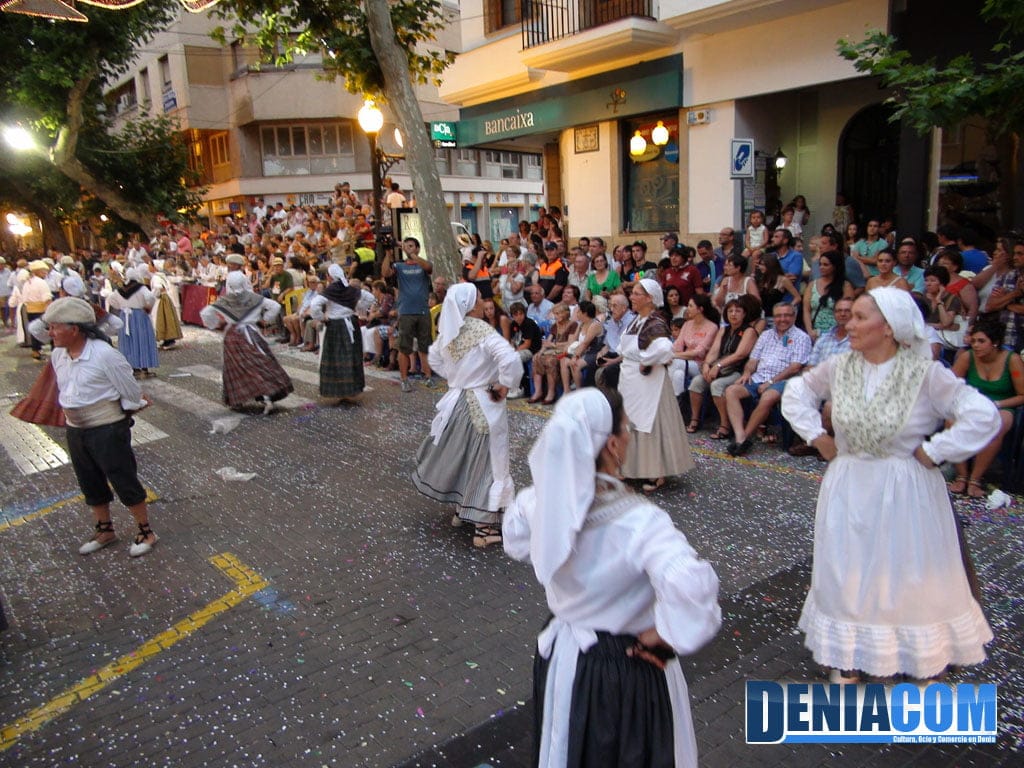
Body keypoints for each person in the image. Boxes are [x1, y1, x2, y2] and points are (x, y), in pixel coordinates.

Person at [781, 287, 999, 682]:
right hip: (849, 485)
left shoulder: (924, 373)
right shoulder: (839, 366)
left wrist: (937, 449)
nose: (850, 323)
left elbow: (983, 414)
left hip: (904, 490)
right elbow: (798, 391)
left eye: (860, 317)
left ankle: (919, 659)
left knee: (905, 573)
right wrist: (816, 436)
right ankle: (848, 657)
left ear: (889, 328)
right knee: (846, 572)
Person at [502, 387, 720, 768]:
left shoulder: (539, 503)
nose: (630, 435)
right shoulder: (640, 522)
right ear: (613, 445)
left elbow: (516, 539)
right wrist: (666, 635)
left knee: (569, 747)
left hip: (564, 658)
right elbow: (691, 586)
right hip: (625, 668)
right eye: (627, 428)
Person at [42, 298, 160, 557]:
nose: (50, 333)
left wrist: (129, 409)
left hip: (107, 428)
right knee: (89, 480)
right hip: (76, 429)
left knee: (123, 478)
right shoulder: (59, 355)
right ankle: (105, 530)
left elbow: (130, 389)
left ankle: (145, 531)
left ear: (74, 329)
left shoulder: (104, 354)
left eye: (54, 327)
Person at [412, 284, 523, 547]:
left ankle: (463, 511)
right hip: (482, 405)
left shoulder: (449, 332)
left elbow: (434, 359)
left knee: (465, 458)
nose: (483, 302)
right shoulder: (482, 331)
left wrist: (457, 379)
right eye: (480, 298)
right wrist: (505, 384)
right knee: (487, 464)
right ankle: (484, 528)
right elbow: (511, 359)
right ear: (471, 305)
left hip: (458, 403)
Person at [618, 279, 695, 493]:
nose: (632, 297)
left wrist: (646, 361)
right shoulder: (636, 321)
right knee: (630, 421)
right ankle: (632, 467)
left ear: (649, 298)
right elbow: (623, 347)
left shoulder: (655, 322)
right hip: (631, 380)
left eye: (636, 294)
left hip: (649, 382)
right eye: (632, 293)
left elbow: (664, 349)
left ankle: (656, 472)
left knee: (649, 423)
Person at [948, 317, 1024, 497]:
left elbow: (1022, 395)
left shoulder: (1012, 360)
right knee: (951, 421)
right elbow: (949, 385)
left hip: (1002, 405)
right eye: (973, 341)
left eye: (981, 341)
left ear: (995, 343)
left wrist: (996, 404)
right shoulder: (968, 357)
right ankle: (961, 475)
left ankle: (975, 479)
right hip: (972, 404)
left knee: (995, 424)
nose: (975, 345)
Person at [722, 303, 811, 455]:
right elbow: (753, 360)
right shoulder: (766, 335)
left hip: (784, 381)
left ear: (794, 316)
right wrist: (747, 373)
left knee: (768, 397)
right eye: (778, 316)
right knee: (731, 391)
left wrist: (770, 382)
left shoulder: (802, 337)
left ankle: (743, 438)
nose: (782, 319)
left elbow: (795, 367)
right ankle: (740, 435)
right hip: (759, 377)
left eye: (786, 315)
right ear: (773, 318)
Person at [200, 272, 294, 414]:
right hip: (252, 333)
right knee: (260, 364)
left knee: (236, 368)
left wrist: (216, 324)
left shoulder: (225, 300)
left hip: (233, 336)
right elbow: (275, 306)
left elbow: (206, 313)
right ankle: (267, 395)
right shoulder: (254, 298)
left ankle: (238, 399)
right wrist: (265, 319)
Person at [688, 296, 760, 440]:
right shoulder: (723, 330)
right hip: (719, 369)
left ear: (744, 314)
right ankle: (695, 419)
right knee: (697, 382)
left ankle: (725, 425)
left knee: (717, 385)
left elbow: (740, 354)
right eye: (730, 311)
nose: (733, 314)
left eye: (737, 311)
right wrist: (707, 365)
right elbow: (714, 351)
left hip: (738, 370)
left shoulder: (749, 331)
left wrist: (719, 365)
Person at [382, 237, 435, 392]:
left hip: (423, 310)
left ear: (418, 248)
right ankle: (404, 379)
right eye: (406, 246)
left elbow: (428, 267)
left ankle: (428, 376)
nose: (408, 248)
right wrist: (388, 253)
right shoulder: (399, 265)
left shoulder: (422, 264)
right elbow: (385, 272)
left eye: (411, 246)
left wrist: (410, 253)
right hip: (406, 312)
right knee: (404, 348)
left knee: (425, 346)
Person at [310, 264, 365, 402]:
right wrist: (357, 309)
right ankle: (351, 389)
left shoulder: (331, 290)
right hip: (351, 324)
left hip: (335, 325)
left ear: (329, 276)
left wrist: (321, 317)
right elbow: (368, 298)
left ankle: (340, 391)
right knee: (351, 356)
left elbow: (314, 305)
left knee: (336, 358)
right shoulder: (350, 289)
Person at [106, 267, 159, 378]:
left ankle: (133, 369)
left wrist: (120, 306)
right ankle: (144, 368)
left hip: (125, 316)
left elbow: (110, 299)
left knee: (128, 341)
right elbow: (150, 297)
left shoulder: (120, 290)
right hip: (139, 315)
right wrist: (148, 307)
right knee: (142, 340)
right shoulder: (141, 288)